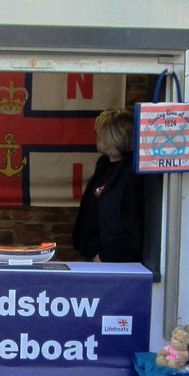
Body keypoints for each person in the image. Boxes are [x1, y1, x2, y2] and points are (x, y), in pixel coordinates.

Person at [73, 108, 144, 262]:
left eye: (99, 132)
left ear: (112, 136)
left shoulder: (132, 173)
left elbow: (133, 222)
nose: (96, 136)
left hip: (113, 262)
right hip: (94, 255)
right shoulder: (104, 165)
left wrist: (105, 257)